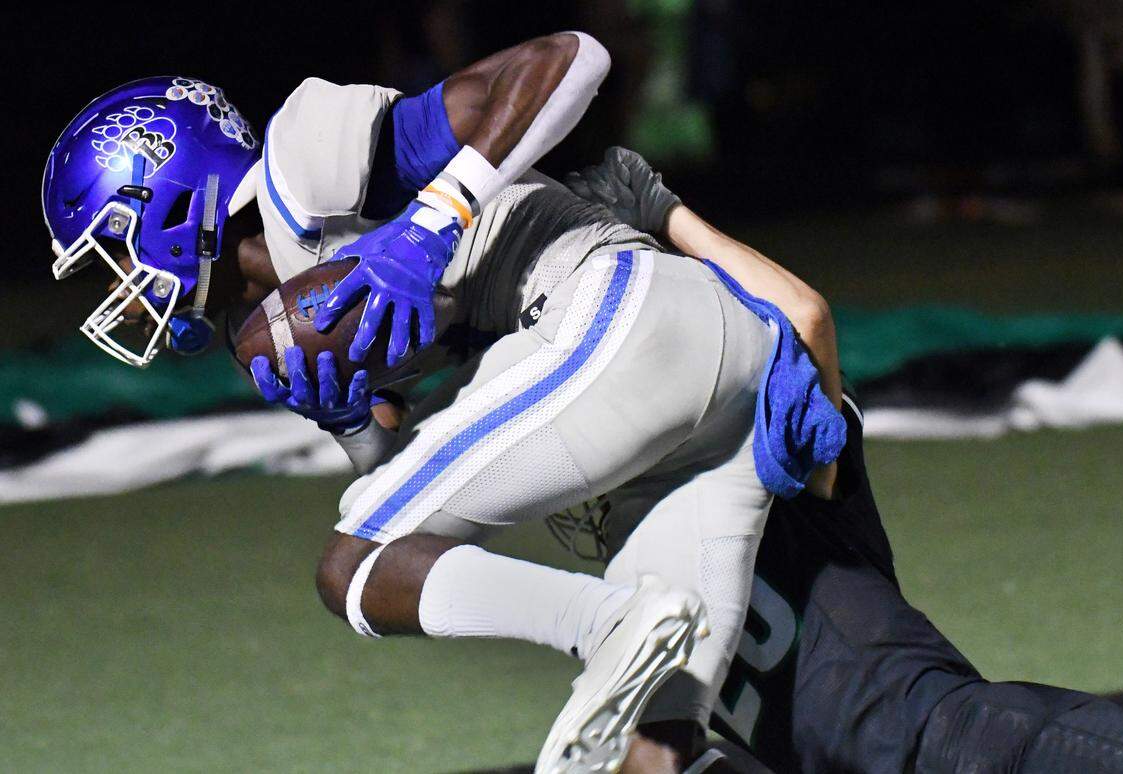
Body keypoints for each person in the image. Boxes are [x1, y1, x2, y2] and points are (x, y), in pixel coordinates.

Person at [42, 41, 843, 771]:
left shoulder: (302, 165)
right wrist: (354, 426)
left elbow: (575, 59)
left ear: (167, 195)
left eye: (112, 252)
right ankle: (629, 637)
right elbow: (406, 494)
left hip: (619, 307)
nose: (119, 288)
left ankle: (608, 624)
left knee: (351, 567)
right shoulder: (268, 331)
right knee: (654, 753)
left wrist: (435, 218)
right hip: (705, 374)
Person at [565, 147, 1123, 773]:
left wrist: (667, 216)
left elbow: (805, 319)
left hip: (979, 748)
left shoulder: (766, 497)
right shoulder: (659, 593)